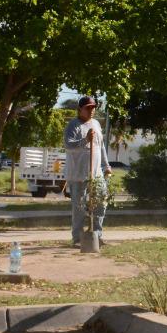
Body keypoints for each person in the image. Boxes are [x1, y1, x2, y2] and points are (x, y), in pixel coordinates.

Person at [64, 96, 111, 249]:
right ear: (80, 109)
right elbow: (68, 145)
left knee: (101, 204)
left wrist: (106, 165)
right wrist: (85, 140)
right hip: (78, 175)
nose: (91, 110)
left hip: (96, 175)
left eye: (93, 107)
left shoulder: (96, 124)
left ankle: (96, 235)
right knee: (79, 208)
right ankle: (77, 238)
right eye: (88, 108)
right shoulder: (73, 125)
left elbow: (101, 146)